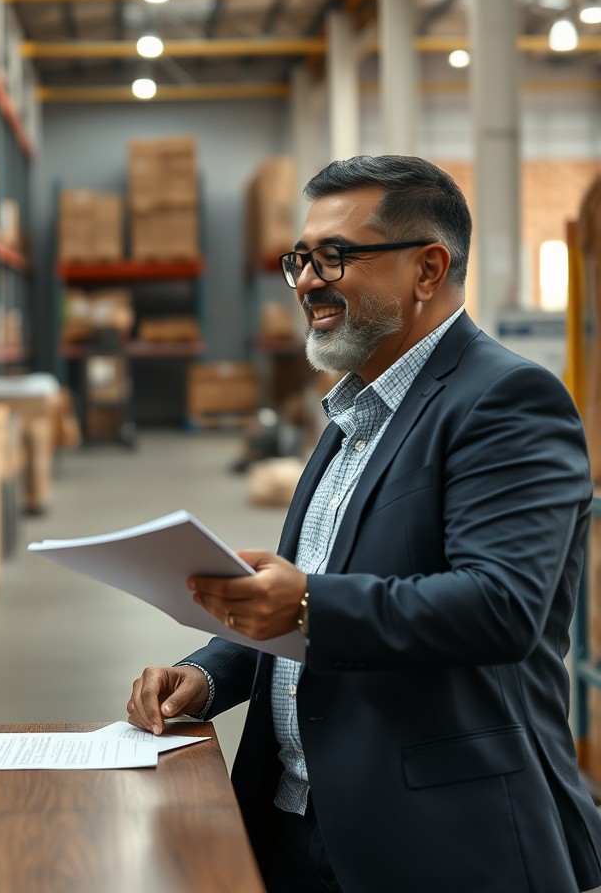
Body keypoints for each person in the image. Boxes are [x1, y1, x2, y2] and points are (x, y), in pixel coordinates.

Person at [127, 155, 601, 893]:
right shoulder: (355, 412)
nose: (309, 281)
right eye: (301, 259)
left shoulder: (506, 401)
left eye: (336, 257)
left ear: (428, 268)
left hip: (436, 841)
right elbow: (305, 604)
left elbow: (499, 606)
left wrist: (307, 602)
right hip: (298, 825)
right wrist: (208, 673)